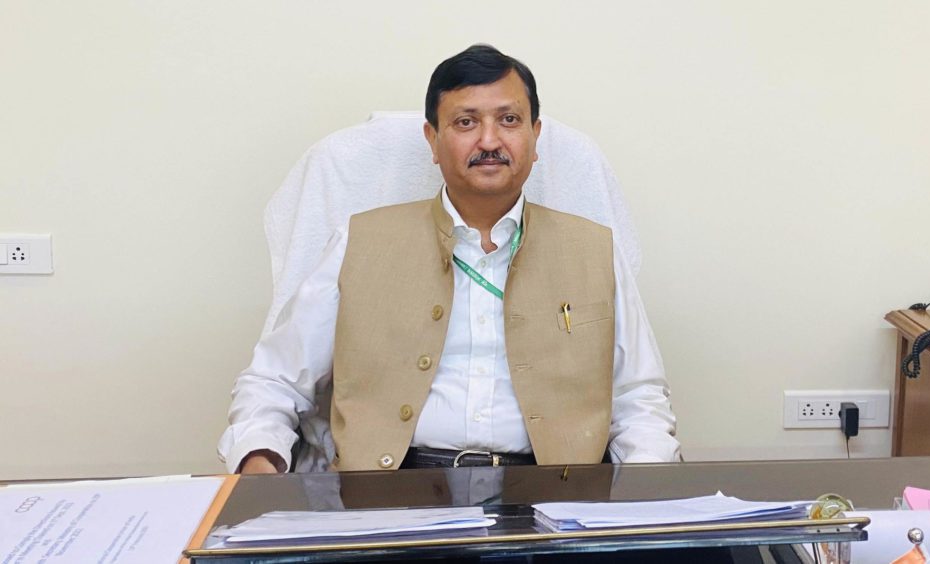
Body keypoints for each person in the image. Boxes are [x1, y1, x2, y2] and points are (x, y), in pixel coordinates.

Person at [218, 44, 681, 474]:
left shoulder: (594, 250)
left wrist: (641, 495)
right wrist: (259, 459)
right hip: (390, 494)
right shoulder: (357, 244)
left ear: (535, 136)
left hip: (553, 494)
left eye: (509, 120)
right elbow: (274, 381)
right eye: (465, 122)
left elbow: (639, 402)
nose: (489, 140)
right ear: (433, 140)